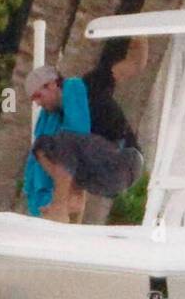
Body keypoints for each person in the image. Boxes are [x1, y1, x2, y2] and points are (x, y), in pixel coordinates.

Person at [23, 36, 148, 222]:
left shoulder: (89, 85)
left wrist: (140, 36)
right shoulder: (57, 120)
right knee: (42, 146)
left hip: (124, 160)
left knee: (65, 140)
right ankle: (72, 208)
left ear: (52, 85)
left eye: (38, 96)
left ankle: (61, 206)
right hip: (99, 171)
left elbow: (134, 65)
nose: (39, 104)